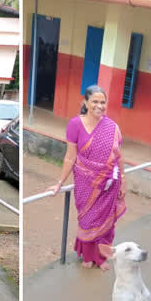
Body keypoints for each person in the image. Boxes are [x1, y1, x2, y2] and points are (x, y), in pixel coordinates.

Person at [46, 85, 126, 271]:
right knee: (88, 220)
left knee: (105, 222)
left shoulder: (112, 127)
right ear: (85, 103)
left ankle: (101, 257)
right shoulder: (75, 124)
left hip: (110, 184)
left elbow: (118, 156)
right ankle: (88, 256)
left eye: (103, 102)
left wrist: (123, 181)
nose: (99, 106)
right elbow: (70, 156)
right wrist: (59, 183)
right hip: (85, 184)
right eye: (95, 102)